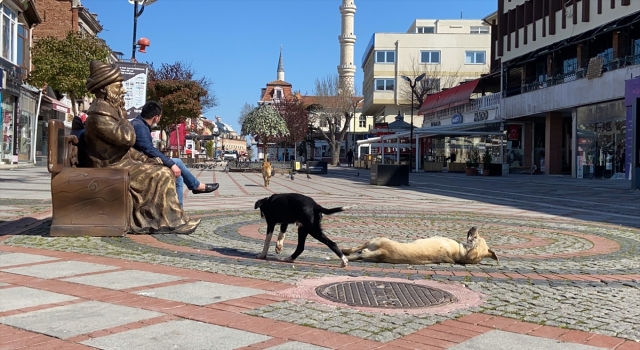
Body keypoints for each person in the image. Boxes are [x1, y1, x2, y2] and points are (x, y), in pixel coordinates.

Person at [82, 60, 199, 234]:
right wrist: (126, 117)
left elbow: (127, 150)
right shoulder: (100, 116)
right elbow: (127, 139)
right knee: (162, 174)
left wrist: (149, 159)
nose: (123, 90)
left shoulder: (111, 112)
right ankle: (168, 222)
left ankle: (170, 219)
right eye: (118, 86)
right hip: (110, 168)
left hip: (121, 163)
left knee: (161, 168)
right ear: (106, 89)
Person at [131, 101, 219, 207]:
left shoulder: (138, 123)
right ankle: (195, 188)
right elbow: (148, 149)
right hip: (138, 165)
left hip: (139, 161)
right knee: (176, 162)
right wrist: (170, 164)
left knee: (179, 176)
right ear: (156, 117)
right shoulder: (140, 127)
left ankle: (180, 207)